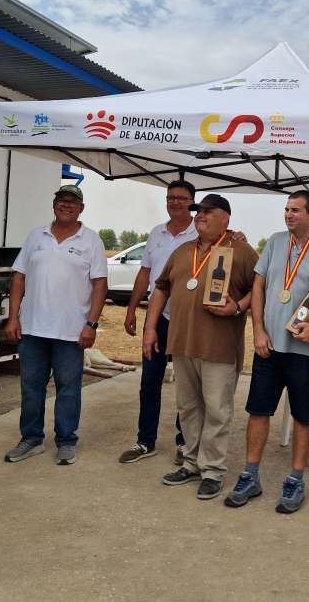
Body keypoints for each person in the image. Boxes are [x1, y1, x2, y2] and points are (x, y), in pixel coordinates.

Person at [225, 190, 309, 513]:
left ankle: (295, 480)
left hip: (308, 350)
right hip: (269, 347)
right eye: (287, 209)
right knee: (258, 411)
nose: (289, 215)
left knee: (303, 416)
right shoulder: (276, 242)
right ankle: (250, 475)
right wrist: (259, 331)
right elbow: (258, 286)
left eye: (295, 210)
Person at [144, 194, 258, 499]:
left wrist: (238, 307)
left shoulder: (241, 251)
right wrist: (150, 328)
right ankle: (192, 462)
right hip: (182, 343)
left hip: (219, 347)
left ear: (226, 217)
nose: (200, 216)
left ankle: (213, 470)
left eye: (208, 211)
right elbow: (161, 288)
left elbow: (260, 288)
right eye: (198, 212)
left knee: (217, 410)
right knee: (188, 408)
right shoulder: (183, 251)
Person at [3, 185, 108, 466]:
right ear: (54, 205)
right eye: (62, 200)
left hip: (71, 330)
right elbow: (18, 278)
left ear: (81, 208)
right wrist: (13, 317)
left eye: (73, 202)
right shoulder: (36, 236)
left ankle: (66, 441)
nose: (66, 205)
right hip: (32, 328)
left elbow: (100, 284)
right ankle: (31, 439)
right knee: (31, 387)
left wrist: (91, 324)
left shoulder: (91, 240)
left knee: (68, 388)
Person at [118, 180, 197, 464]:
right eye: (171, 197)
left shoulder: (201, 232)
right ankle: (145, 441)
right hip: (157, 317)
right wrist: (131, 309)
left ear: (192, 202)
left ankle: (184, 442)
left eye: (181, 198)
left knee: (188, 384)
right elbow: (145, 273)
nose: (175, 202)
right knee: (150, 380)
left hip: (188, 320)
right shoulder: (156, 233)